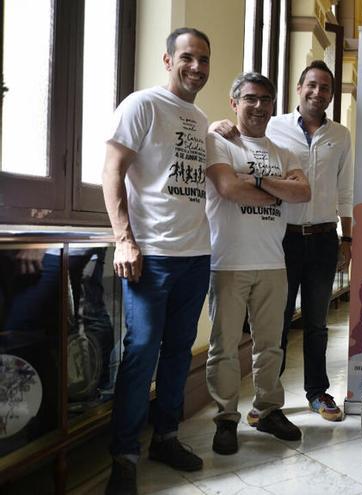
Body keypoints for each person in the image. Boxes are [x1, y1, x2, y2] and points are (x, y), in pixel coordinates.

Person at [102, 27, 213, 495]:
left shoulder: (200, 117)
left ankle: (165, 437)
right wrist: (124, 239)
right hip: (152, 257)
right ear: (168, 61)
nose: (196, 67)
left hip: (196, 255)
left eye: (203, 60)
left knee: (177, 352)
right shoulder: (141, 104)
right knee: (142, 352)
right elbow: (112, 170)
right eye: (188, 57)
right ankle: (123, 457)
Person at [212, 60, 353, 422]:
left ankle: (317, 392)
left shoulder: (340, 136)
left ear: (331, 95)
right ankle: (270, 400)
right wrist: (216, 126)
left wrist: (347, 238)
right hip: (283, 240)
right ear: (298, 89)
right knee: (277, 323)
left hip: (323, 237)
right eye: (312, 85)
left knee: (318, 322)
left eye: (325, 88)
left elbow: (343, 190)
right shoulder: (273, 125)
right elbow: (239, 142)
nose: (317, 93)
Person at [204, 72, 311, 455]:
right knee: (224, 346)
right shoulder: (218, 142)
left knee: (270, 345)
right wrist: (273, 188)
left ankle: (267, 411)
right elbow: (228, 189)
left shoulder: (284, 153)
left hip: (272, 262)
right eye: (251, 98)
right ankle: (226, 418)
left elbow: (302, 192)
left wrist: (257, 180)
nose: (260, 106)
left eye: (266, 99)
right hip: (229, 262)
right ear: (235, 103)